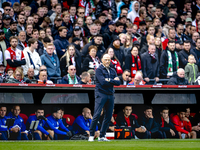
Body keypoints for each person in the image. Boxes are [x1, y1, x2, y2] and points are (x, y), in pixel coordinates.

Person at [88, 54, 120, 142]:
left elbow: (118, 82)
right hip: (101, 94)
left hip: (110, 94)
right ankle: (91, 135)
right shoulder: (99, 70)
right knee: (97, 114)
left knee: (109, 116)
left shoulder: (113, 70)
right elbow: (102, 82)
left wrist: (109, 80)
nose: (107, 61)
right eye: (105, 59)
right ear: (102, 60)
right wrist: (113, 81)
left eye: (109, 60)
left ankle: (102, 135)